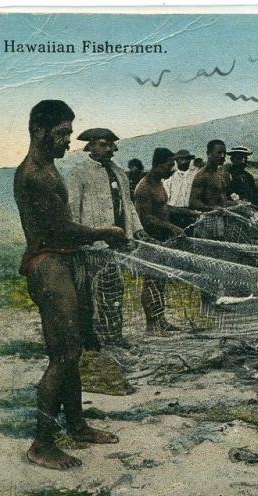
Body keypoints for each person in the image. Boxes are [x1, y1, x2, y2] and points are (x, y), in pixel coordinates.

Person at [14, 100, 125, 470]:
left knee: (72, 350)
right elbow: (57, 230)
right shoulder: (35, 174)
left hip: (62, 261)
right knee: (62, 356)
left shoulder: (47, 167)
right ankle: (41, 444)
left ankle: (76, 425)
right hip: (48, 266)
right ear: (38, 132)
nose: (67, 141)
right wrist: (103, 232)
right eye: (62, 133)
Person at [68, 127, 145, 350]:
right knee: (89, 293)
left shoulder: (119, 173)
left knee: (113, 289)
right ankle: (90, 340)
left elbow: (128, 204)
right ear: (90, 146)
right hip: (92, 245)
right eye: (103, 145)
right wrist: (79, 239)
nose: (109, 149)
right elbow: (73, 209)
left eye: (111, 145)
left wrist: (136, 230)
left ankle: (114, 336)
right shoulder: (79, 173)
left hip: (116, 242)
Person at [134, 148, 195, 334]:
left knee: (160, 281)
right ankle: (152, 325)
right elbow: (146, 218)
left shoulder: (159, 183)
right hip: (150, 239)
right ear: (158, 165)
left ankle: (161, 319)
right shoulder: (144, 187)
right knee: (151, 280)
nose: (173, 169)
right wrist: (172, 228)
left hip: (162, 239)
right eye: (169, 165)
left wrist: (186, 212)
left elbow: (163, 208)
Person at [189, 139, 228, 211]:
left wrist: (236, 203)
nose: (223, 156)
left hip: (222, 217)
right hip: (209, 218)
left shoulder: (220, 174)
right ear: (208, 153)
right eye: (219, 153)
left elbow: (222, 201)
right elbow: (193, 202)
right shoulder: (202, 175)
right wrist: (211, 208)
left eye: (224, 153)